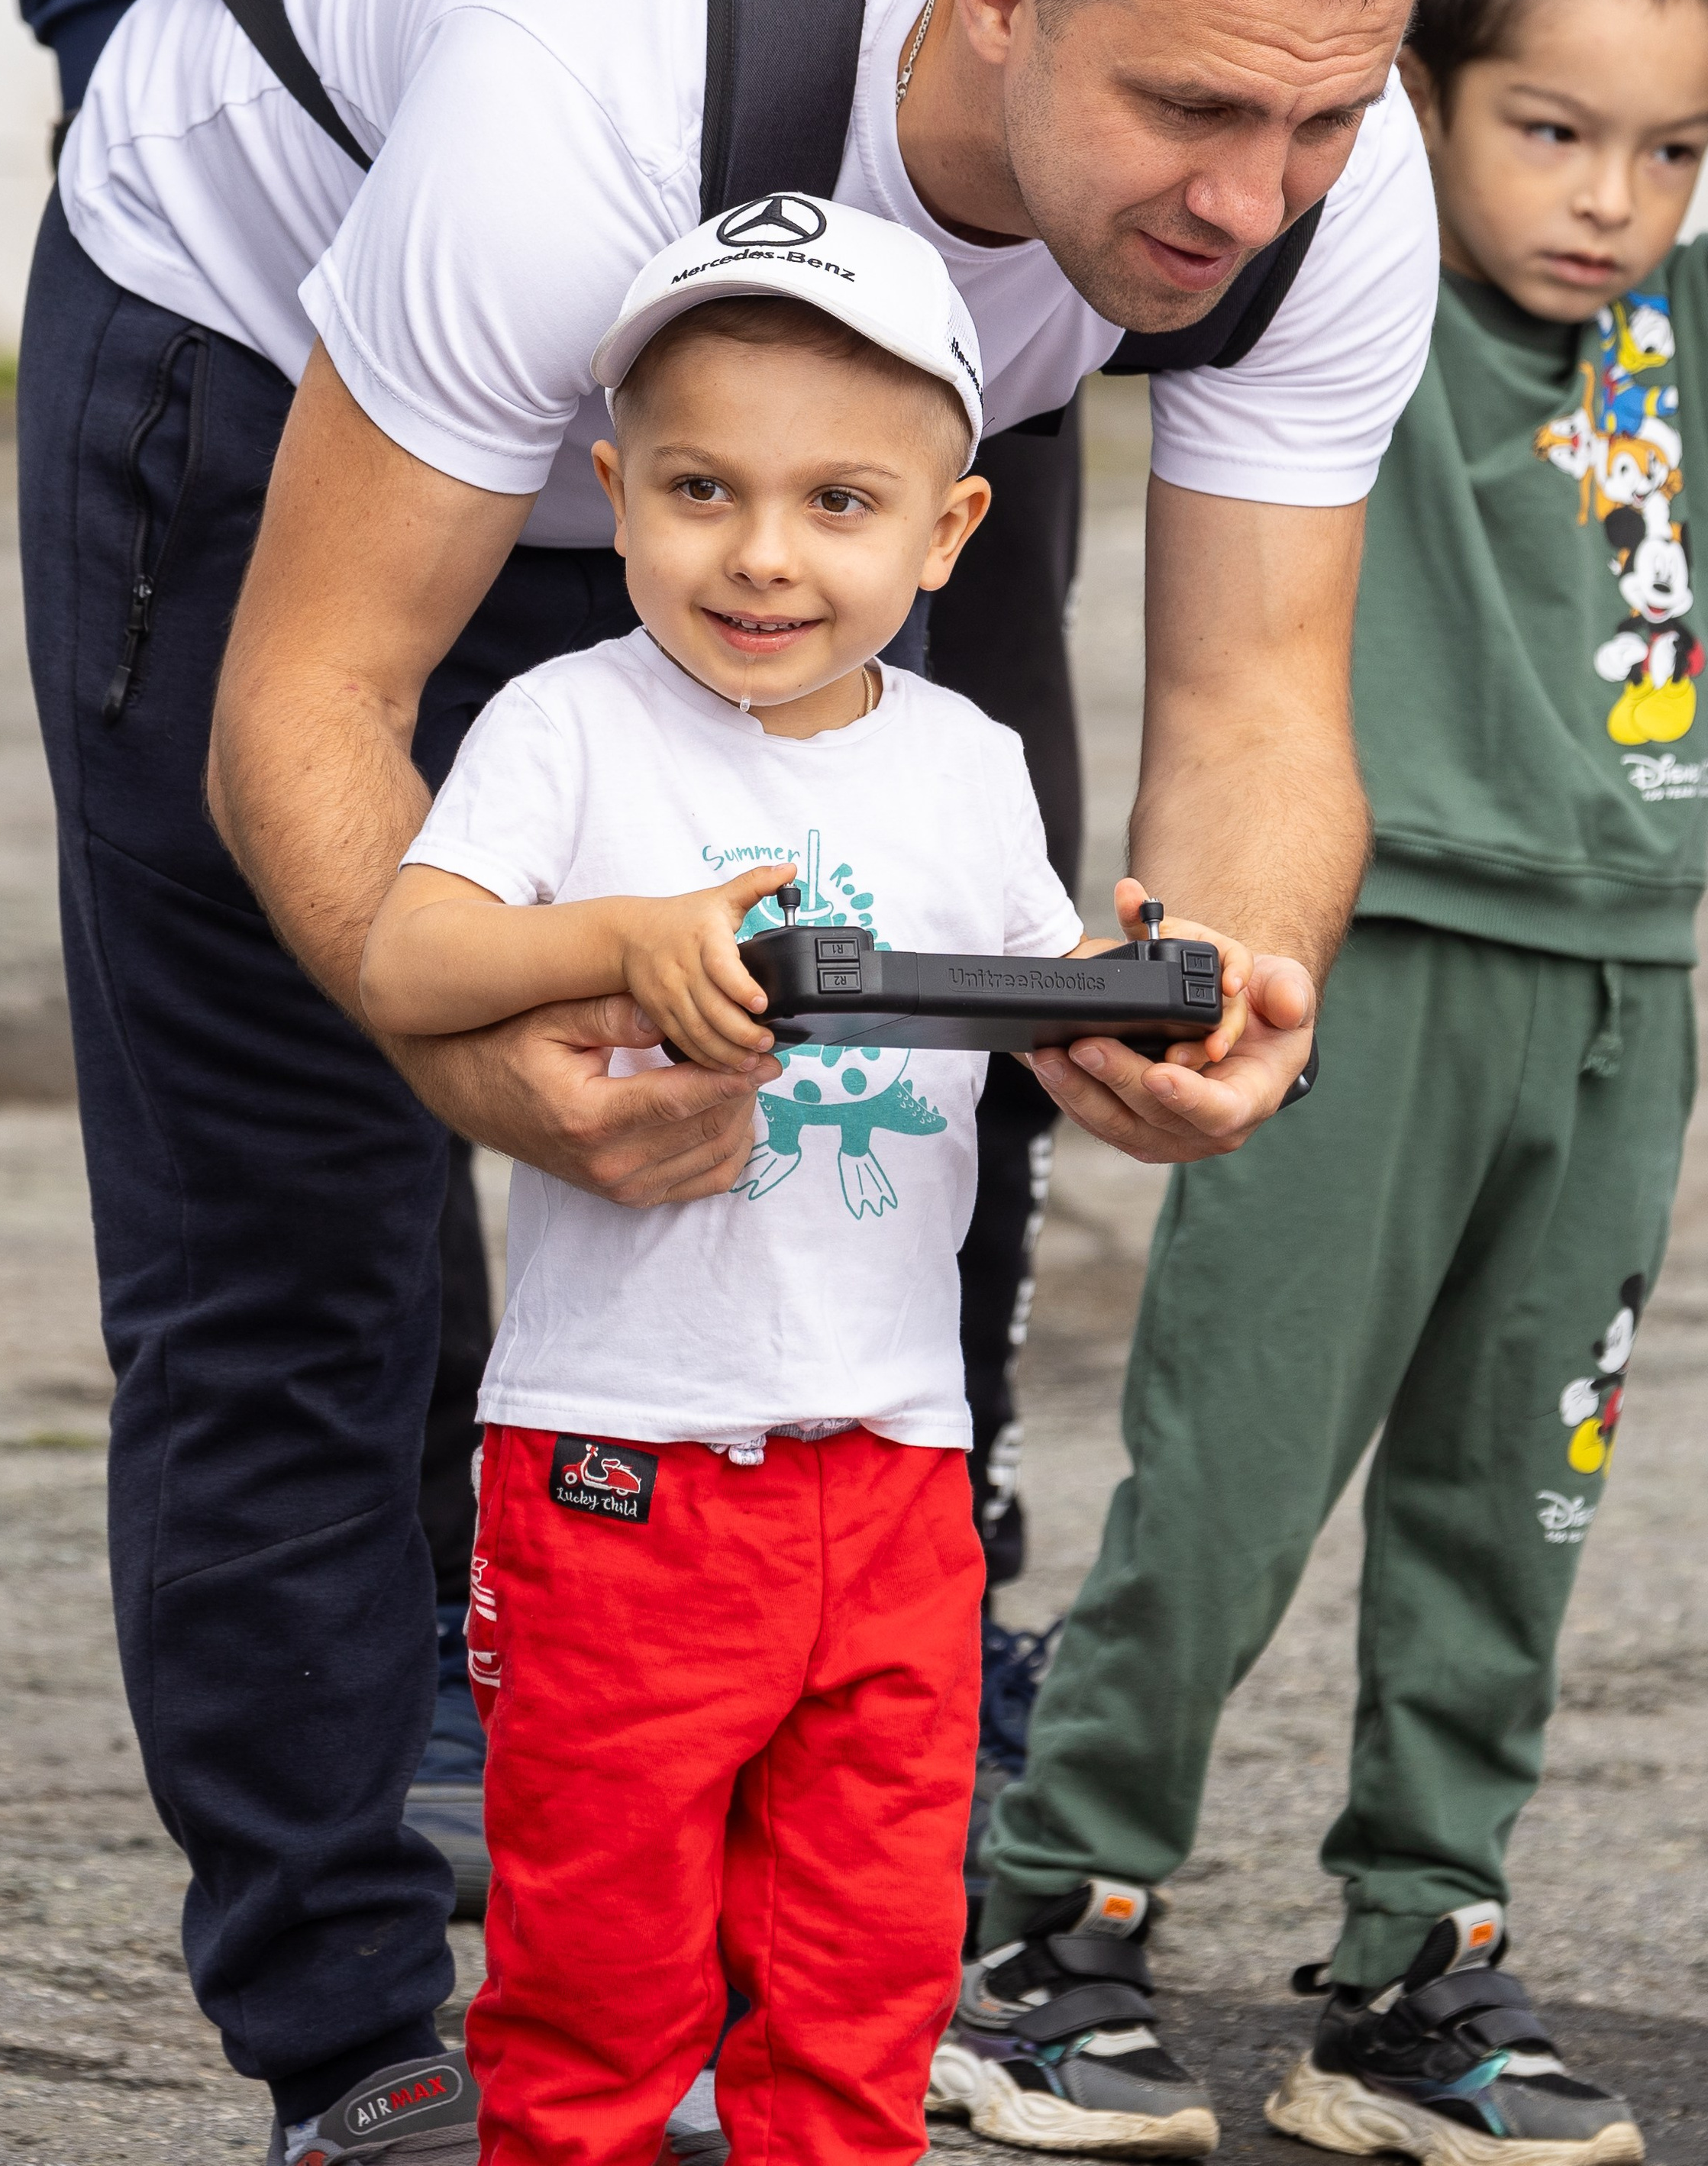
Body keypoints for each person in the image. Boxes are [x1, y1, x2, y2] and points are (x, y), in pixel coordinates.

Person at [16, 0, 1437, 2155]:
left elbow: (1260, 715)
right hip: (275, 349)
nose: (1253, 192)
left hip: (871, 428)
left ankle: (855, 1975)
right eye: (1194, 108)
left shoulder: (1308, 175)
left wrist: (1205, 988)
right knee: (300, 1250)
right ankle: (357, 2035)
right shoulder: (581, 79)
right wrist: (484, 1048)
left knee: (935, 1090)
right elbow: (312, 715)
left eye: (1315, 120)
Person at [0, 0, 1145, 1869]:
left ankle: (871, 1650)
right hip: (350, 247)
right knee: (316, 1170)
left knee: (903, 966)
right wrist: (242, 124)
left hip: (861, 295)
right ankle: (392, 1820)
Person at [941, 0, 1708, 2165]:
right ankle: (1045, 1944)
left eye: (1665, 145)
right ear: (1420, 101)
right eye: (1546, 128)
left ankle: (1416, 1981)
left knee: (1513, 1512)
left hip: (1622, 1012)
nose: (1606, 198)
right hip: (1383, 974)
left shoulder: (1695, 340)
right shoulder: (1368, 288)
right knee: (1228, 1484)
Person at [352, 211, 1227, 2166]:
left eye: (838, 500)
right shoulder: (564, 728)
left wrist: (1139, 1013)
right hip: (621, 1464)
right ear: (612, 496)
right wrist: (623, 940)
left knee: (867, 1966)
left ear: (946, 530)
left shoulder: (966, 760)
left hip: (893, 1460)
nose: (761, 550)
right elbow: (407, 962)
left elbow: (1034, 1017)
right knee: (594, 1974)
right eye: (698, 488)